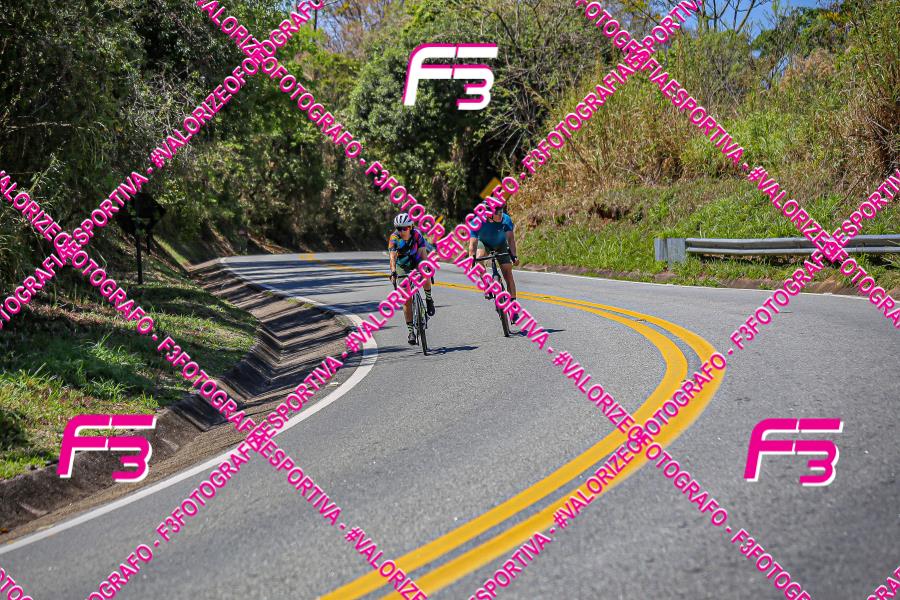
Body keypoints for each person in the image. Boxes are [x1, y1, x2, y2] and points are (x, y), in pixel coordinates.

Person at [389, 213, 436, 345]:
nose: (402, 231)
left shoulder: (417, 235)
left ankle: (429, 299)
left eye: (405, 228)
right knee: (406, 299)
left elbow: (423, 253)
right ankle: (411, 331)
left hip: (416, 260)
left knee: (425, 272)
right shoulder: (394, 238)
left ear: (411, 227)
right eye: (399, 228)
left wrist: (426, 267)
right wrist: (393, 272)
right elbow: (392, 257)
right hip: (402, 266)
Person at [468, 206, 519, 319]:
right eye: (497, 213)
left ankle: (513, 306)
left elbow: (510, 240)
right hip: (484, 244)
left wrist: (514, 256)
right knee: (479, 257)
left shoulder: (506, 219)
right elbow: (472, 244)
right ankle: (487, 283)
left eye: (501, 212)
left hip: (501, 245)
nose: (501, 215)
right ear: (488, 215)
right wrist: (471, 261)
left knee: (508, 273)